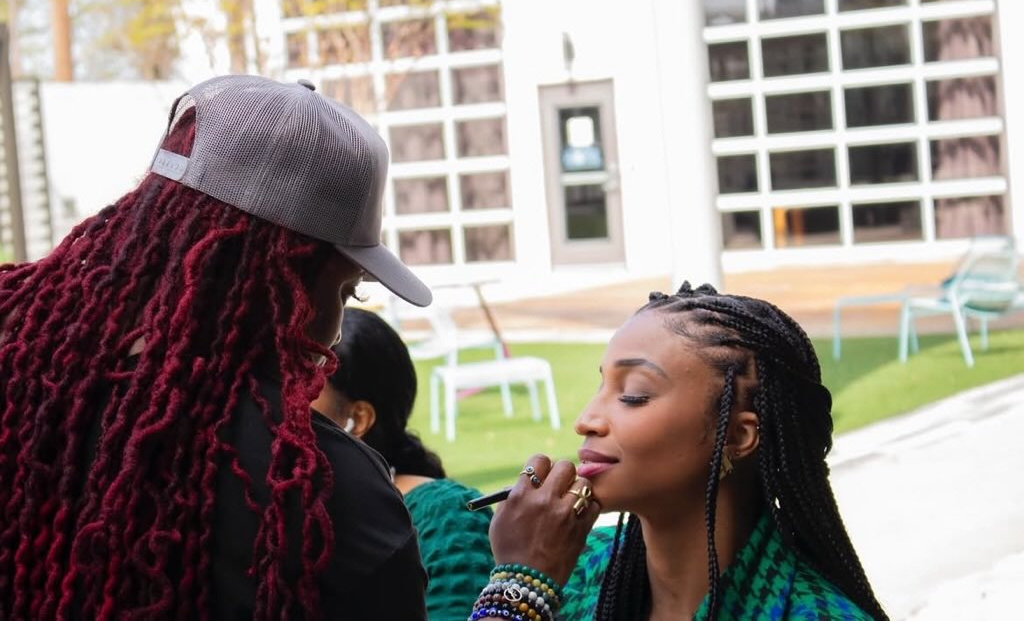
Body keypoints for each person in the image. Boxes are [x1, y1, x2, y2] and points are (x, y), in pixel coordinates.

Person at [0, 75, 433, 619]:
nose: (338, 332)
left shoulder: (23, 403)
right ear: (288, 281)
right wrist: (516, 587)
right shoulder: (329, 493)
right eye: (346, 292)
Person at [477, 282, 888, 620]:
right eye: (602, 386)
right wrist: (528, 577)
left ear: (738, 436)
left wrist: (516, 588)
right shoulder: (573, 566)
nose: (586, 420)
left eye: (633, 394)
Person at [312, 306, 494, 621]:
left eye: (304, 392)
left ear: (358, 419)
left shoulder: (445, 514)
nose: (281, 406)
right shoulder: (278, 506)